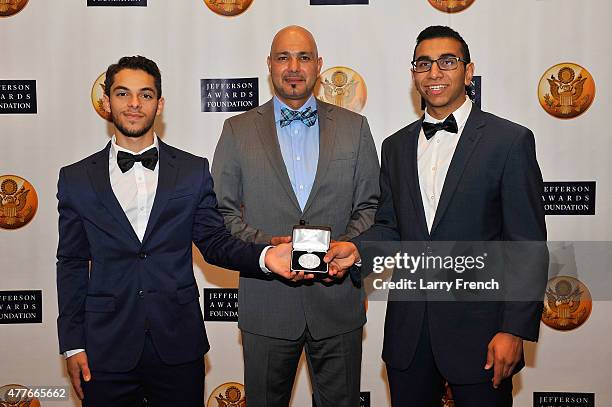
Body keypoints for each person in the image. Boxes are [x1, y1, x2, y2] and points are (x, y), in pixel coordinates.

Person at [56, 55, 301, 407]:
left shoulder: (192, 170)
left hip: (178, 343)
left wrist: (265, 256)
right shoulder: (77, 178)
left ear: (160, 104)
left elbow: (215, 243)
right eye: (123, 94)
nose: (135, 104)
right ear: (106, 102)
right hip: (105, 347)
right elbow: (72, 263)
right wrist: (73, 343)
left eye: (146, 94)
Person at [326, 26, 547, 406]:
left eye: (447, 61)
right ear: (413, 74)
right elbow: (391, 228)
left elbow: (526, 245)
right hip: (409, 336)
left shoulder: (509, 141)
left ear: (468, 70)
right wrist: (357, 251)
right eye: (423, 63)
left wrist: (514, 329)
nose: (434, 72)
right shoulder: (395, 146)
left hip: (482, 334)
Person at [211, 26, 379, 407]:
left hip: (337, 306)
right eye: (283, 57)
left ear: (318, 65)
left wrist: (345, 246)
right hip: (266, 306)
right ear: (269, 64)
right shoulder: (236, 130)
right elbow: (223, 213)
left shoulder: (355, 129)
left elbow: (370, 205)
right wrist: (268, 250)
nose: (293, 66)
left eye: (304, 57)